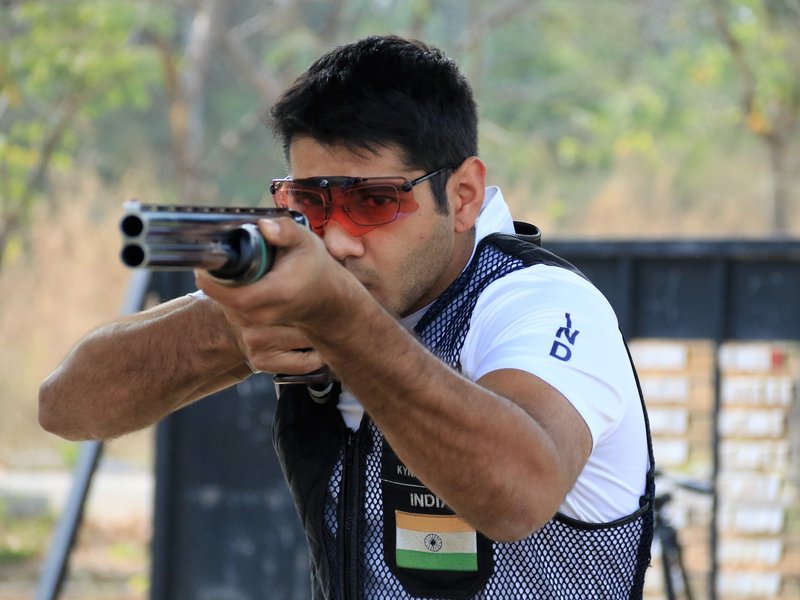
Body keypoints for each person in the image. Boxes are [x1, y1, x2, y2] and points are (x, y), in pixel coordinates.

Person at [39, 35, 654, 599]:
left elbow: (518, 493)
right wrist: (228, 329)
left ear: (463, 195)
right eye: (311, 202)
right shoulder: (316, 287)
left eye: (374, 202)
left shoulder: (539, 302)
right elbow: (67, 406)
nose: (336, 240)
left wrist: (342, 321)